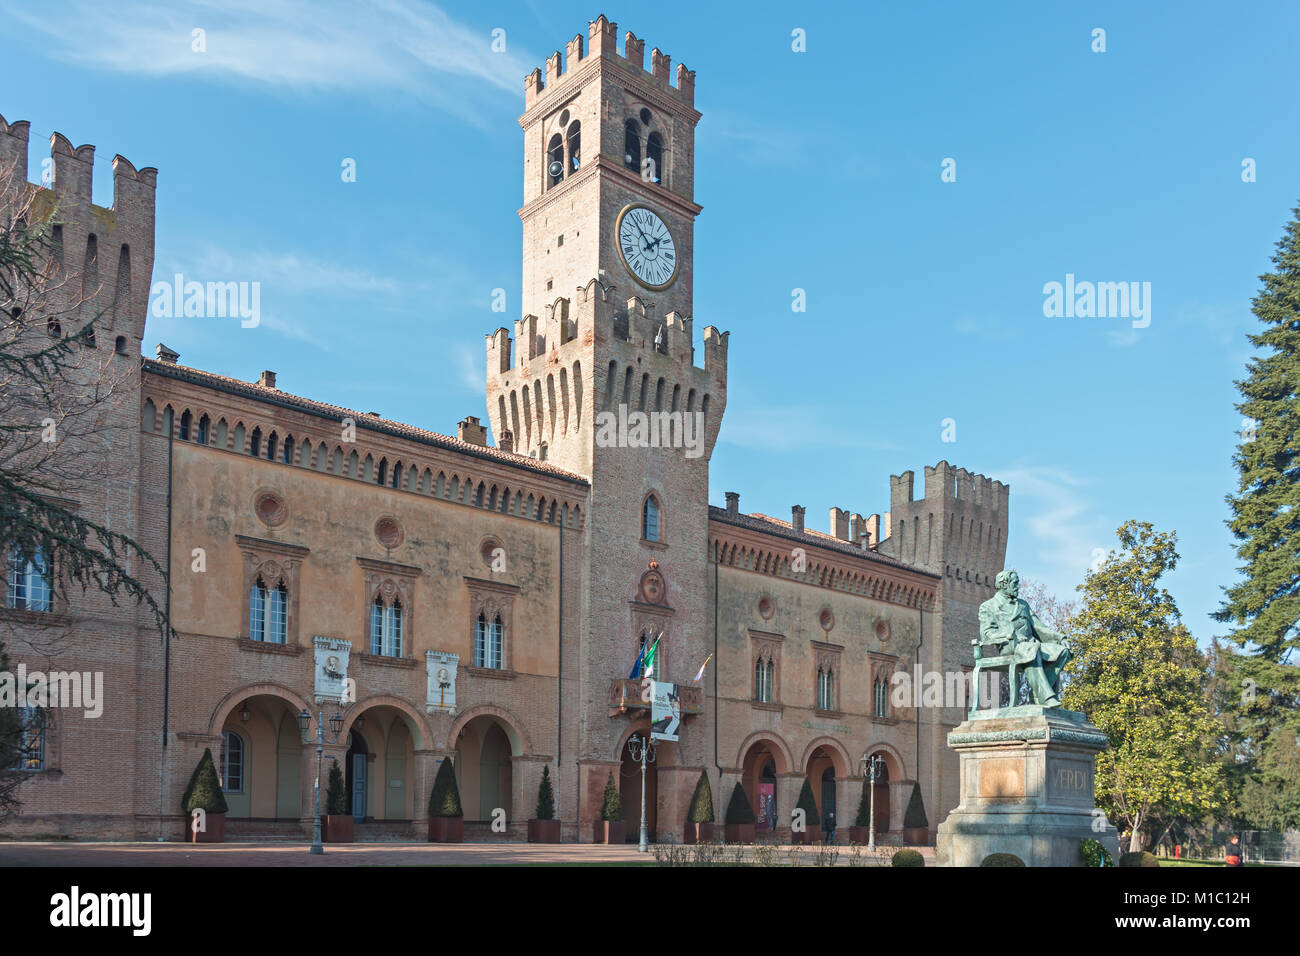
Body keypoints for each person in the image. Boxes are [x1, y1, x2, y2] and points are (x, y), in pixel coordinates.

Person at [978, 569, 1072, 707]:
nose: (1018, 587)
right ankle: (1046, 697)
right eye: (1015, 583)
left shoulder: (1023, 605)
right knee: (1031, 649)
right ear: (1004, 584)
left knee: (1063, 652)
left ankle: (1037, 694)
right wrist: (1005, 635)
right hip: (1009, 646)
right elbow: (986, 633)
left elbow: (1039, 627)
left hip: (1030, 645)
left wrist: (1059, 638)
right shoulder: (989, 606)